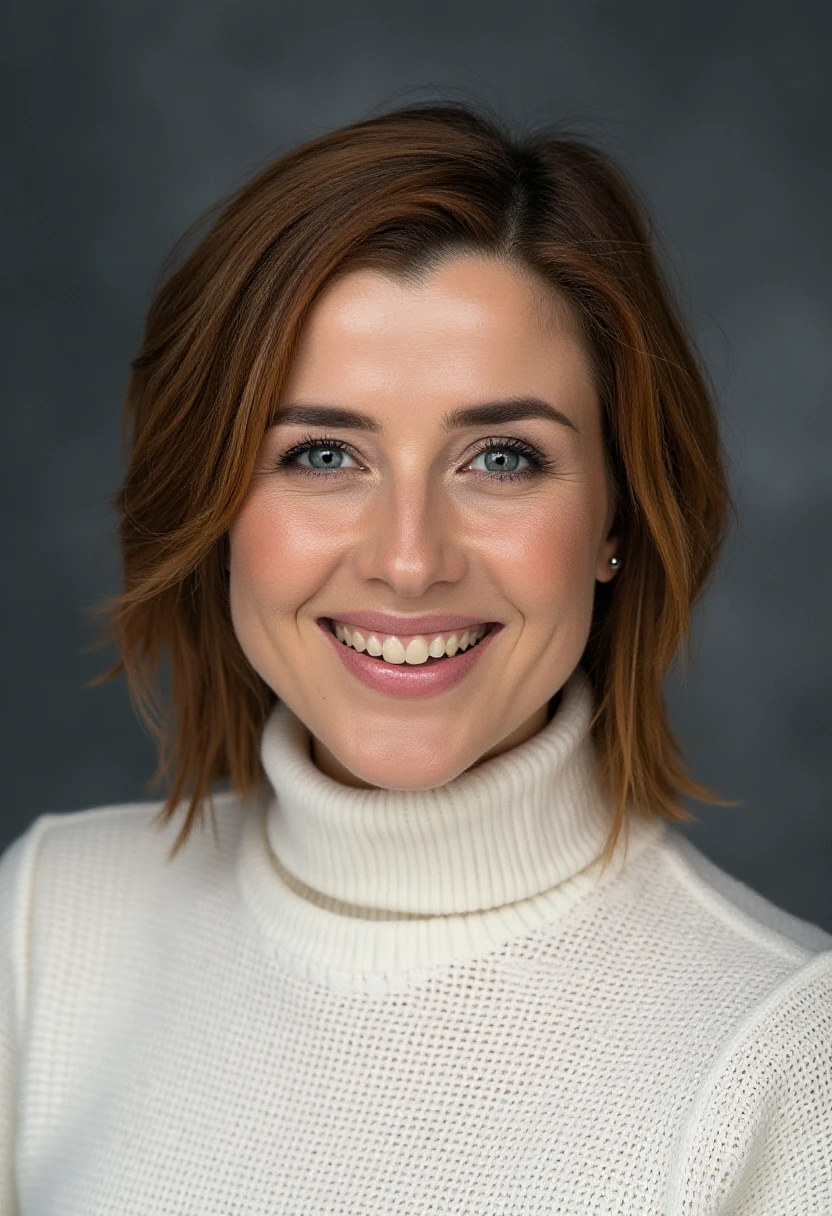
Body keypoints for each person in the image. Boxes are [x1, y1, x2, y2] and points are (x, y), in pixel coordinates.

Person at [1, 101, 829, 1215]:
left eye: (499, 457)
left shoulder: (784, 1063)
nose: (406, 558)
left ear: (616, 514)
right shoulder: (50, 926)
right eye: (324, 452)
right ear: (214, 508)